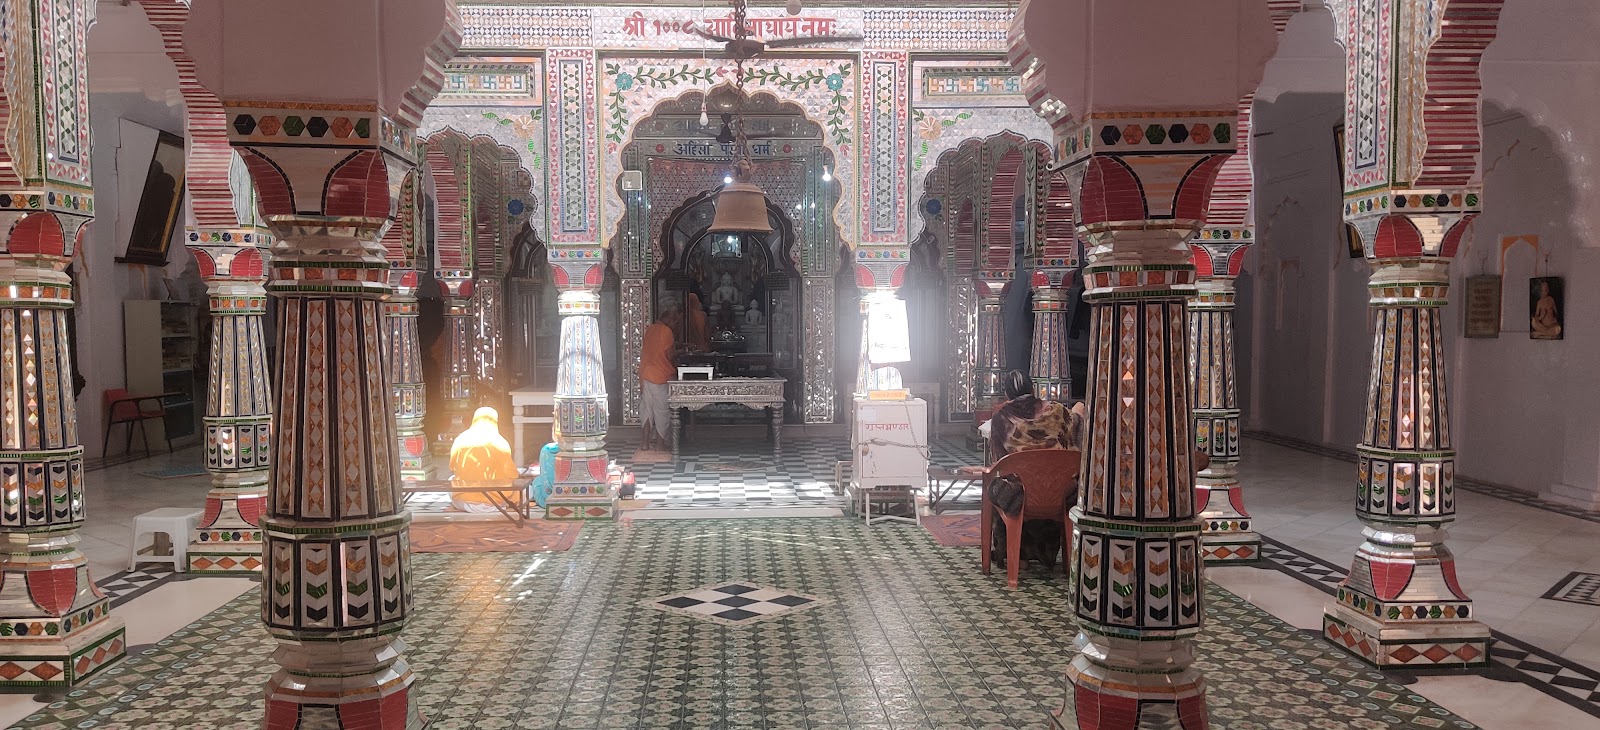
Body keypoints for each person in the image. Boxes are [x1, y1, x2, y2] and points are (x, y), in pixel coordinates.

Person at [448, 406, 520, 512]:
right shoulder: (500, 442)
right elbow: (512, 474)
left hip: (465, 502)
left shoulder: (461, 439)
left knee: (451, 479)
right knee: (527, 489)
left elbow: (452, 466)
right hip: (495, 502)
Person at [640, 307, 684, 451]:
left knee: (647, 410)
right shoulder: (666, 331)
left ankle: (645, 443)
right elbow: (669, 355)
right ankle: (659, 444)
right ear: (669, 319)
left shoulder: (650, 329)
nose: (675, 325)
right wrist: (682, 351)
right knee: (662, 411)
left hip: (646, 375)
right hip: (660, 377)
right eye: (675, 321)